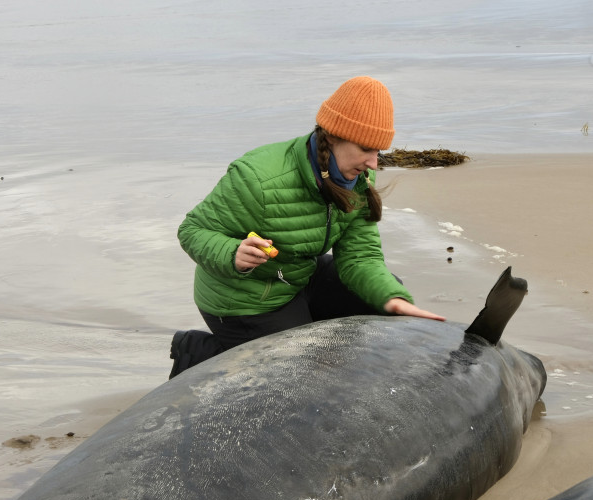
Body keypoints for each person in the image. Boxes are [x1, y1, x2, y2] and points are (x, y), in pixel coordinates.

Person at [169, 76, 445, 379]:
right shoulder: (258, 178)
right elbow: (192, 230)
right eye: (366, 148)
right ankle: (202, 353)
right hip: (244, 299)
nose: (374, 163)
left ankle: (305, 334)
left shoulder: (358, 179)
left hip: (297, 277)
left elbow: (359, 257)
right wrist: (232, 252)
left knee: (379, 299)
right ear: (334, 136)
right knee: (299, 374)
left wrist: (392, 299)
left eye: (378, 151)